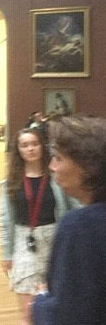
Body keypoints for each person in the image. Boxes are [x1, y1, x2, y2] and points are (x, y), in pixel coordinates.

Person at [31, 116, 106, 324]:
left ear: (87, 166)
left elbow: (67, 316)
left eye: (58, 158)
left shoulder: (81, 226)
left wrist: (39, 302)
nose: (52, 166)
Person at [0, 128, 75, 325]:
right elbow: (6, 220)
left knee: (56, 309)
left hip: (55, 241)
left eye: (35, 144)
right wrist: (6, 253)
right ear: (18, 150)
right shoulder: (11, 183)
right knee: (29, 314)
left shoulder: (57, 177)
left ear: (43, 147)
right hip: (25, 244)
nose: (31, 149)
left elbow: (76, 207)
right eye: (25, 145)